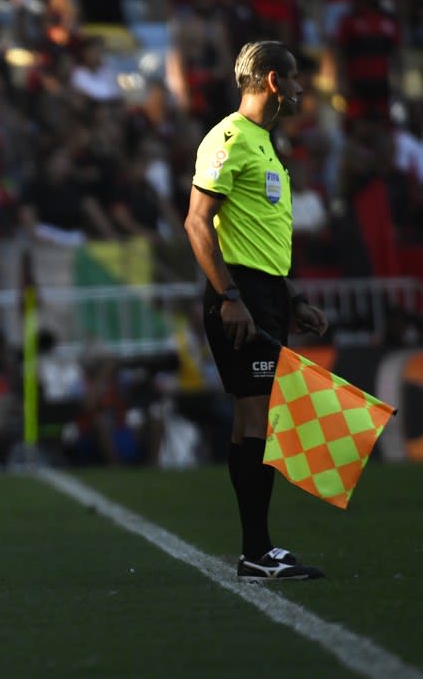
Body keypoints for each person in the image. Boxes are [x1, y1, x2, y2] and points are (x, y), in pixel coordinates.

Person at [183, 40, 329, 580]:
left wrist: (294, 299)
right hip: (239, 296)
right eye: (292, 79)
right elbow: (197, 223)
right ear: (272, 81)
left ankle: (259, 549)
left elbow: (258, 238)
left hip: (265, 296)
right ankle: (256, 552)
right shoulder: (228, 139)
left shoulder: (265, 145)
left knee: (259, 417)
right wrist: (229, 298)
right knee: (255, 417)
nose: (298, 90)